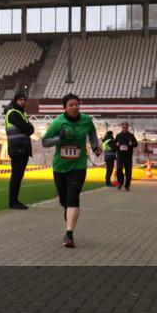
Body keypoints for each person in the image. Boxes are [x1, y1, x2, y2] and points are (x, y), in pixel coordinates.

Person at [41, 93, 102, 248]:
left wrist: (95, 146)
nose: (75, 107)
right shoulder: (58, 122)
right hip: (60, 167)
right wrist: (59, 138)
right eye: (71, 105)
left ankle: (69, 235)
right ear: (65, 107)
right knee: (64, 200)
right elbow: (45, 142)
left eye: (77, 104)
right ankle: (68, 212)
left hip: (78, 165)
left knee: (73, 198)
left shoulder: (87, 120)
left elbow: (92, 134)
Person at [4, 91, 35, 209]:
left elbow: (30, 129)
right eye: (20, 99)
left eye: (24, 99)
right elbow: (26, 127)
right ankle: (13, 202)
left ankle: (14, 200)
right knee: (16, 176)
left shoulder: (21, 113)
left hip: (22, 148)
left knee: (18, 176)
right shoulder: (13, 112)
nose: (22, 102)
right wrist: (28, 129)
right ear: (15, 100)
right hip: (17, 148)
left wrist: (29, 129)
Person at [112, 121, 138, 191]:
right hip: (120, 156)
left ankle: (127, 186)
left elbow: (136, 144)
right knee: (119, 170)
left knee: (128, 172)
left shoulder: (131, 135)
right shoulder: (118, 135)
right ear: (121, 127)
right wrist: (116, 145)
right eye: (123, 127)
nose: (124, 128)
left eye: (125, 127)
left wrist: (131, 144)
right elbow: (113, 146)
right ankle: (120, 183)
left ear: (127, 127)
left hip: (128, 157)